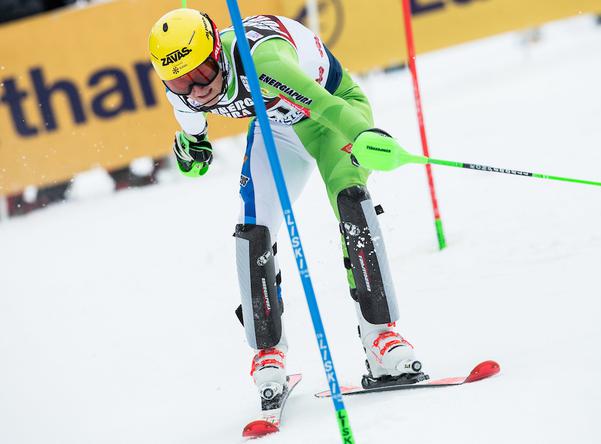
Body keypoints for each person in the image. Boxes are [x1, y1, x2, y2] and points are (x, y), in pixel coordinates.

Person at [148, 9, 423, 399]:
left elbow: (328, 107)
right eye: (180, 81)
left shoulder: (263, 60)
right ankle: (268, 353)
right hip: (276, 129)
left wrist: (364, 135)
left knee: (350, 200)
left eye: (201, 74)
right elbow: (196, 147)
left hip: (330, 115)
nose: (196, 90)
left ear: (216, 53)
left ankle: (381, 337)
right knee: (252, 228)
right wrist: (192, 155)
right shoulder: (183, 96)